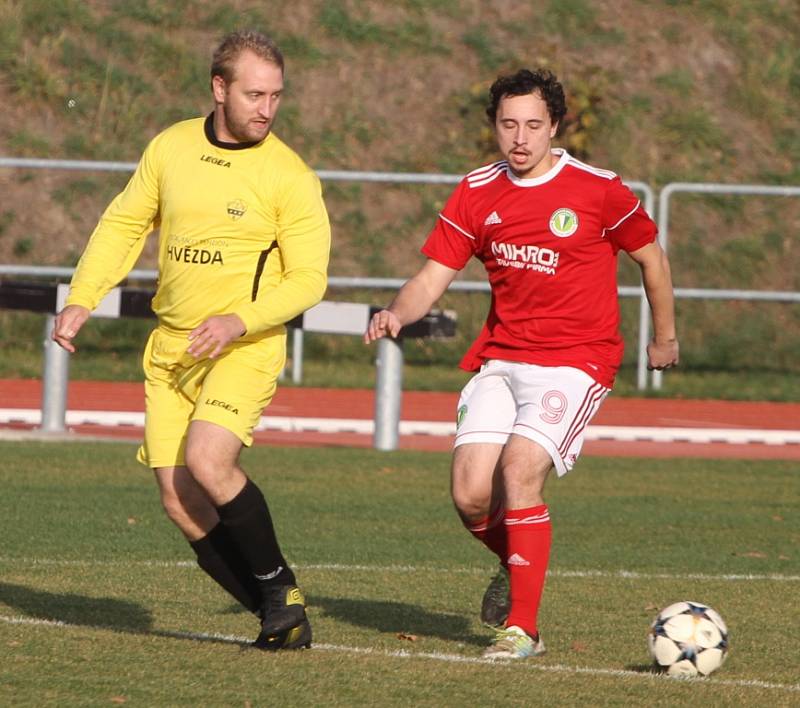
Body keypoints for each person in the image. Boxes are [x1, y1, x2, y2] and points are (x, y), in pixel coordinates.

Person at [364, 68, 678, 659]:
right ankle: (517, 564)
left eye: (534, 125)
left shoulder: (597, 188)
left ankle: (522, 630)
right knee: (469, 495)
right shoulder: (477, 191)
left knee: (521, 470)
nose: (521, 137)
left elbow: (651, 259)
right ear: (495, 126)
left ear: (554, 127)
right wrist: (397, 313)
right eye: (509, 124)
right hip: (502, 358)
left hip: (576, 362)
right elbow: (432, 276)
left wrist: (663, 337)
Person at [52, 29, 331, 651]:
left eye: (277, 96)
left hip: (242, 347)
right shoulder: (172, 147)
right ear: (219, 88)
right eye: (255, 94)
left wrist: (239, 321)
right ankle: (278, 617)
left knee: (209, 460)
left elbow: (311, 279)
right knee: (179, 500)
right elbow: (124, 223)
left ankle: (281, 588)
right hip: (173, 347)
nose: (267, 108)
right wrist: (82, 297)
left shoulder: (289, 175)